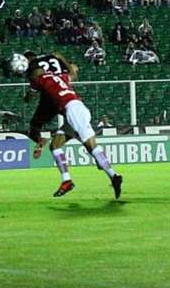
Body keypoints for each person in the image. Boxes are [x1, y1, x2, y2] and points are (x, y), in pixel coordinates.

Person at [23, 52, 123, 198]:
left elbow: (28, 97)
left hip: (73, 111)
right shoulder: (61, 77)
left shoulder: (39, 80)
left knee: (92, 147)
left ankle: (114, 175)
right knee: (55, 145)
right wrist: (62, 58)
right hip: (76, 109)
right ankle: (67, 180)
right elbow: (73, 72)